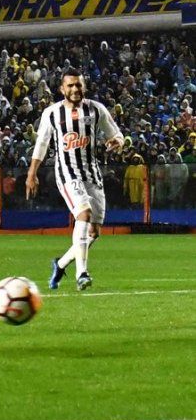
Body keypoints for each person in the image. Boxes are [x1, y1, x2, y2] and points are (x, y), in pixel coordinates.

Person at [26, 69, 124, 292]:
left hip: (92, 174)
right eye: (70, 85)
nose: (74, 89)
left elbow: (116, 133)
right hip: (67, 173)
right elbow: (41, 143)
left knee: (94, 232)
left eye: (78, 85)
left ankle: (60, 264)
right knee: (84, 214)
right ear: (62, 89)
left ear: (84, 87)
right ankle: (82, 273)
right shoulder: (52, 113)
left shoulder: (96, 109)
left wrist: (118, 142)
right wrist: (32, 173)